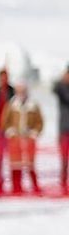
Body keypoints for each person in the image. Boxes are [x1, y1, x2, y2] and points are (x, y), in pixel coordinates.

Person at [0, 80, 44, 195]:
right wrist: (10, 132)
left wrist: (34, 133)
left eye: (23, 90)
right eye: (19, 91)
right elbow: (5, 121)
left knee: (30, 163)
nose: (21, 93)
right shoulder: (11, 105)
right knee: (15, 163)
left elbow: (39, 122)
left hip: (28, 139)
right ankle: (16, 187)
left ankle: (35, 186)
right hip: (15, 139)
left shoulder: (33, 105)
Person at [54, 64, 69, 194]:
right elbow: (55, 88)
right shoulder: (61, 87)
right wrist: (62, 81)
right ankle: (63, 182)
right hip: (64, 129)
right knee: (64, 158)